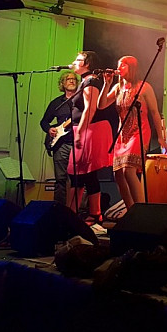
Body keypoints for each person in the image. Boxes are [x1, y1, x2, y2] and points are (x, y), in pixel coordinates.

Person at [101, 55, 166, 210]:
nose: (119, 68)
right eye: (118, 65)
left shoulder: (144, 87)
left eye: (123, 65)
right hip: (122, 135)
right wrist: (106, 84)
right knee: (118, 174)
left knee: (128, 170)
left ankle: (141, 210)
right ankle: (131, 210)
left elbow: (155, 112)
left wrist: (160, 136)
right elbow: (101, 105)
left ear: (132, 68)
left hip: (139, 132)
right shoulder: (117, 88)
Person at [68, 51, 114, 225]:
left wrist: (80, 131)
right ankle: (74, 212)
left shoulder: (91, 81)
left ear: (87, 64)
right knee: (79, 173)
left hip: (91, 129)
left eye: (78, 59)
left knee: (87, 172)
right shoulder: (85, 81)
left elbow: (90, 108)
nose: (74, 62)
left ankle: (94, 214)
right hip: (85, 128)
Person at [40, 70, 79, 207]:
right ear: (62, 83)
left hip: (78, 144)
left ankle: (77, 210)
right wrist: (49, 129)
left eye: (74, 79)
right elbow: (44, 121)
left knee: (79, 179)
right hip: (61, 144)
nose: (72, 81)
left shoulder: (82, 101)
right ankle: (59, 209)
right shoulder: (56, 103)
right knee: (60, 179)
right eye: (68, 79)